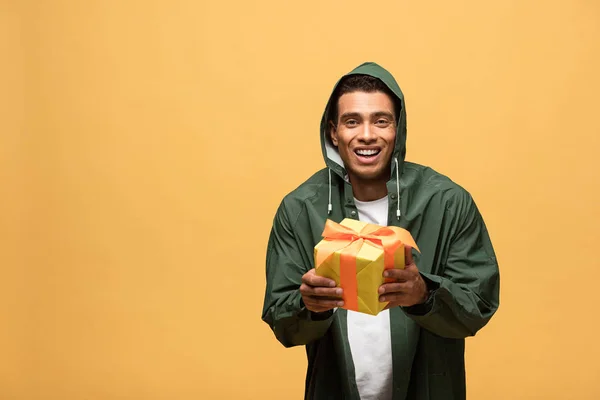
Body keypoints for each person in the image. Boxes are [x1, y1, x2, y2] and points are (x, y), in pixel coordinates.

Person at [261, 62, 500, 400]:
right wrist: (309, 305)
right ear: (333, 132)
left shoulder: (448, 202)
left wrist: (425, 293)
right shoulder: (300, 209)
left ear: (397, 130)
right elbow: (280, 320)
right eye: (352, 121)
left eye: (381, 121)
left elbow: (479, 305)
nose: (367, 135)